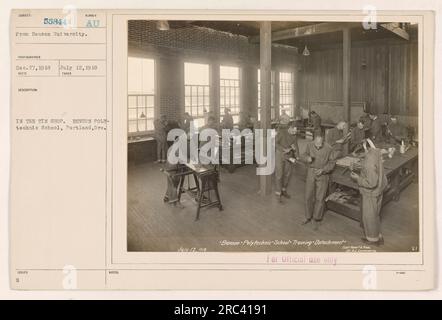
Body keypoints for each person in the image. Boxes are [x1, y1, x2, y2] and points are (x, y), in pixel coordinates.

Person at [350, 142, 388, 246]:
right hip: (380, 189)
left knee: (369, 216)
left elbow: (371, 183)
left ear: (363, 152)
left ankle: (373, 239)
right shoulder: (375, 152)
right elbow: (374, 171)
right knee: (375, 214)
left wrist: (358, 178)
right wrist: (361, 167)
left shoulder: (368, 163)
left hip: (371, 193)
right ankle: (377, 234)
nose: (359, 157)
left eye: (359, 156)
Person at [301, 135, 336, 230]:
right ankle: (308, 216)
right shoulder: (309, 145)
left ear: (323, 142)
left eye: (320, 145)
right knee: (308, 195)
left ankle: (316, 219)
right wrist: (306, 158)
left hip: (323, 174)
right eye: (316, 144)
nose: (317, 146)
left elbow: (332, 162)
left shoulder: (329, 148)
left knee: (320, 198)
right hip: (311, 171)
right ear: (314, 141)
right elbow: (303, 155)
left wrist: (323, 170)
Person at [274, 119, 299, 200]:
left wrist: (297, 155)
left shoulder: (294, 135)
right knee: (279, 174)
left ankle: (283, 189)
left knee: (287, 174)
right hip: (279, 154)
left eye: (296, 131)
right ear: (289, 128)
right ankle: (278, 192)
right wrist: (283, 149)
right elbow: (275, 143)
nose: (294, 132)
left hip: (289, 155)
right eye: (293, 131)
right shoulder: (281, 132)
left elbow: (296, 146)